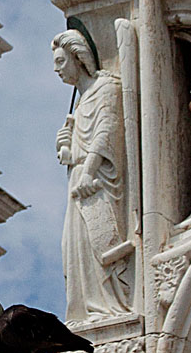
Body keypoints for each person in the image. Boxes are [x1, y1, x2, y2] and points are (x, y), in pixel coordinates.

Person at [51, 32, 132, 326]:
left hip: (98, 183)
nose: (57, 69)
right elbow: (79, 148)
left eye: (61, 61)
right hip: (80, 183)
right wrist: (66, 148)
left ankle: (112, 306)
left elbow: (108, 130)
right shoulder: (81, 101)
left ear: (78, 57)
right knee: (73, 248)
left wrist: (88, 169)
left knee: (99, 244)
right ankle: (87, 307)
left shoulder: (106, 86)